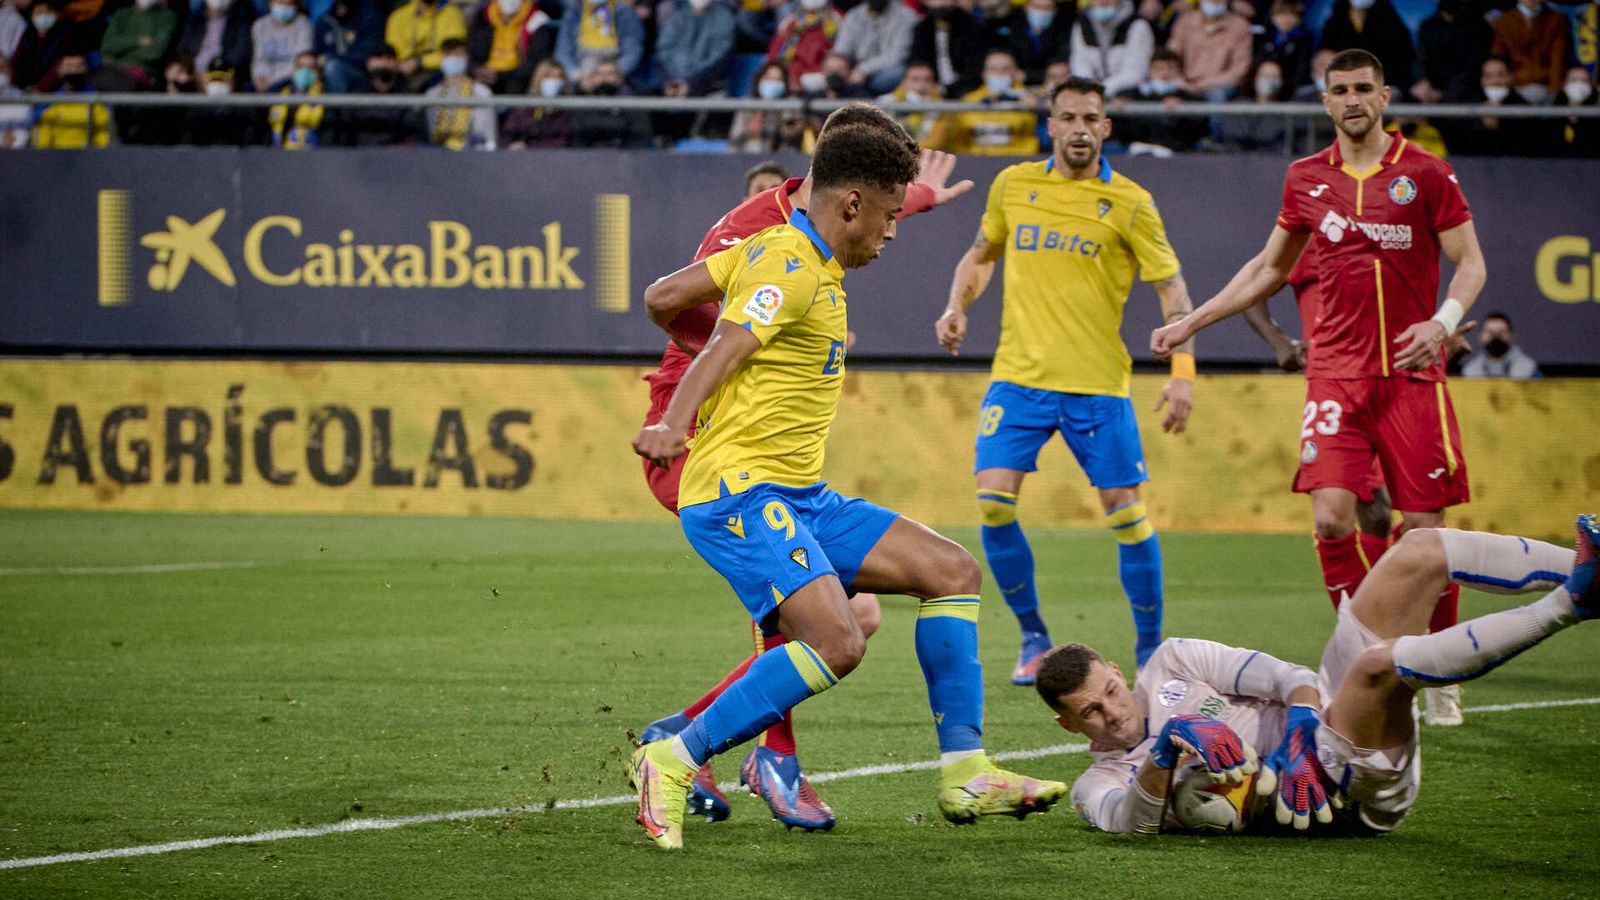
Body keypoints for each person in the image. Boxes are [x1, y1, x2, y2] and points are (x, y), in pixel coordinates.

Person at [628, 118, 1066, 852]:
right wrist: (676, 418)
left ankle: (966, 771)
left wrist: (694, 334)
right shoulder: (790, 267)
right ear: (854, 205)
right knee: (837, 640)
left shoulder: (790, 254)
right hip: (738, 494)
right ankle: (672, 758)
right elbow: (731, 343)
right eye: (892, 215)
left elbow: (661, 294)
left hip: (797, 495)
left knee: (950, 570)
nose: (893, 233)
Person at [1151, 48, 1487, 727]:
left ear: (1385, 95)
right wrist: (1193, 321)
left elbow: (1471, 263)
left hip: (1412, 377)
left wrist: (1444, 320)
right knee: (1333, 517)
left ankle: (1440, 664)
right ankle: (1362, 653)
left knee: (1423, 529)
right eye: (1340, 90)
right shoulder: (1304, 179)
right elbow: (1267, 271)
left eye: (1364, 87)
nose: (1353, 99)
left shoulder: (1425, 174)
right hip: (1335, 376)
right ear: (1326, 100)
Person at [1034, 515, 1598, 834]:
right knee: (1378, 668)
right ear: (1069, 726)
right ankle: (1569, 605)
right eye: (1091, 712)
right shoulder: (1097, 784)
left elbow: (1288, 676)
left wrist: (1303, 721)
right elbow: (1129, 823)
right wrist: (1164, 752)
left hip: (1322, 723)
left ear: (1114, 670)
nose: (1113, 711)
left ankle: (1587, 568)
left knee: (1420, 551)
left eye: (1110, 691)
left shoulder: (1172, 660)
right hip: (1339, 790)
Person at [938, 76, 1195, 683]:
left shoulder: (1132, 201)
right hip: (1018, 380)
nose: (1080, 128)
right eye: (1068, 117)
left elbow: (1172, 290)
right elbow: (980, 255)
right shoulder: (1013, 184)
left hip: (1099, 386)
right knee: (993, 503)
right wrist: (957, 306)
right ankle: (1033, 638)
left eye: (1091, 118)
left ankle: (1150, 649)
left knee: (1125, 513)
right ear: (1050, 125)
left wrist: (1182, 372)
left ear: (1107, 127)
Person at [925, 49, 1038, 155]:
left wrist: (1033, 105)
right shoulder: (968, 101)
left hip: (1015, 161)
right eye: (993, 69)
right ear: (984, 73)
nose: (999, 73)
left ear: (1015, 73)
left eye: (1005, 69)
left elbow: (1032, 139)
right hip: (976, 162)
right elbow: (958, 140)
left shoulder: (1028, 100)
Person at [1110, 48, 1204, 153]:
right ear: (1150, 71)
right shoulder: (1134, 93)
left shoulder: (1188, 96)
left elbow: (1199, 128)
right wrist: (1120, 103)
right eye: (1159, 68)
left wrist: (1183, 106)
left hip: (1174, 151)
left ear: (1179, 71)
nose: (1165, 73)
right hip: (1136, 148)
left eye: (1171, 68)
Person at [1316, 0, 1414, 95]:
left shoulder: (1393, 24)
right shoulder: (1334, 23)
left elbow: (1401, 66)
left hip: (1380, 85)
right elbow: (1324, 58)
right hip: (1342, 87)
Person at [1164, 0, 1253, 102]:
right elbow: (1170, 56)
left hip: (1219, 85)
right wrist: (1180, 80)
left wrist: (1202, 84)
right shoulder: (1184, 22)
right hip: (1184, 82)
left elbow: (1239, 69)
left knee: (1216, 94)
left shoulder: (1240, 25)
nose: (1214, 1)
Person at [1411, 0, 1491, 105]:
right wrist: (1423, 81)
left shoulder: (1479, 27)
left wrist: (1444, 93)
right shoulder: (1427, 26)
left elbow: (1472, 68)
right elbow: (1421, 59)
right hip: (1431, 93)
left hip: (1468, 93)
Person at [1489, 0, 1569, 105]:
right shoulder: (1505, 20)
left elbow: (1558, 59)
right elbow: (1498, 56)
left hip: (1545, 84)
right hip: (1514, 85)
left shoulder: (1556, 20)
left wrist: (1555, 91)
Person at [1069, 0, 1152, 98]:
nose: (1103, 2)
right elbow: (1079, 63)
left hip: (1127, 99)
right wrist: (1088, 89)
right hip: (1090, 97)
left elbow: (1135, 72)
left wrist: (1100, 90)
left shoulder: (1138, 26)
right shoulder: (1082, 24)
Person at [424, 37, 494, 150]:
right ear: (441, 58)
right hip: (438, 153)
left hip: (473, 152)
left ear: (466, 58)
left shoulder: (482, 93)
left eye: (458, 54)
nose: (453, 58)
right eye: (448, 54)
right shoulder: (432, 94)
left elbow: (486, 134)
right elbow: (431, 130)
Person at [832, 0, 915, 96]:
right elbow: (842, 50)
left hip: (886, 70)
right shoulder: (854, 15)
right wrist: (839, 67)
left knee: (898, 73)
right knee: (834, 72)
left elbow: (896, 56)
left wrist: (863, 70)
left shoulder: (906, 16)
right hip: (855, 71)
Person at [656, 0, 736, 97]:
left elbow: (720, 58)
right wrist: (671, 81)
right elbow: (664, 52)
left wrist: (690, 83)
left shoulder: (724, 18)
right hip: (674, 84)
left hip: (710, 86)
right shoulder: (676, 17)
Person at [985, 0, 1073, 88]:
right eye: (1037, 7)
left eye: (1047, 8)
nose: (1041, 12)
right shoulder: (1011, 26)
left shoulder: (1065, 31)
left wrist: (1028, 75)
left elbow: (1061, 63)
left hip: (1048, 82)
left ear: (1054, 10)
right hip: (1014, 82)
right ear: (1026, 7)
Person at [908, 0, 985, 99]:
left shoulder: (970, 26)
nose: (939, 3)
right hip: (930, 90)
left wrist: (947, 90)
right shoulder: (922, 28)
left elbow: (974, 69)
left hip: (966, 90)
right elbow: (918, 62)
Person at [554, 0, 644, 84]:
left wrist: (614, 72)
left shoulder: (624, 11)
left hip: (615, 67)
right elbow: (563, 52)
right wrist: (577, 75)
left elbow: (633, 51)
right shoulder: (574, 11)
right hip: (582, 69)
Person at [31, 51, 108, 147]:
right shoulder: (49, 104)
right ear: (60, 70)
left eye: (79, 66)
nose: (74, 70)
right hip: (56, 158)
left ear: (86, 69)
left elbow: (103, 138)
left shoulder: (97, 101)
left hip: (87, 158)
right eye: (69, 66)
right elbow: (42, 140)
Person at [386, 0, 468, 90]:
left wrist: (420, 62)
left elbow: (455, 53)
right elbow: (392, 50)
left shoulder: (452, 14)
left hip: (438, 73)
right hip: (403, 73)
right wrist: (407, 63)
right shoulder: (398, 16)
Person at [172, 0, 252, 90]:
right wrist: (187, 68)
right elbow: (183, 49)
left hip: (223, 71)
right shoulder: (194, 21)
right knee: (175, 75)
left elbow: (241, 51)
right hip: (195, 72)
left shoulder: (239, 22)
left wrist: (219, 69)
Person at [98, 0, 178, 88]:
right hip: (113, 72)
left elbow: (155, 52)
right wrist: (139, 41)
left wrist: (120, 53)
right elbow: (107, 45)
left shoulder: (167, 17)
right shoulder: (121, 14)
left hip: (143, 75)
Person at [764, 0, 837, 95]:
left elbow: (842, 59)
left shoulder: (837, 21)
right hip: (790, 84)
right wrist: (786, 78)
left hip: (824, 84)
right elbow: (773, 59)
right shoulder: (789, 24)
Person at [499, 57, 573, 148]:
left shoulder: (567, 111)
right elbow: (505, 137)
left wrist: (529, 148)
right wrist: (512, 145)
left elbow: (562, 142)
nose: (554, 82)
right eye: (549, 77)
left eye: (558, 78)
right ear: (539, 79)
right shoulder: (523, 109)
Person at [314, 0, 385, 93]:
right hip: (325, 74)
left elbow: (367, 55)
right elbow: (317, 53)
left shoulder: (369, 17)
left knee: (333, 67)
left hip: (362, 73)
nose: (341, 8)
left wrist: (330, 58)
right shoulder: (325, 21)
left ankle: (335, 107)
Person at [251, 0, 312, 93]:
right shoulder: (259, 25)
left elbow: (301, 61)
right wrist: (259, 77)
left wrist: (273, 81)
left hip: (288, 79)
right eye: (281, 3)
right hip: (262, 79)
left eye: (289, 4)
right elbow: (258, 59)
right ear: (270, 3)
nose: (285, 8)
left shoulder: (303, 24)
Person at [1461, 311, 1539, 379]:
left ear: (1511, 336)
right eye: (1490, 333)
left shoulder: (1529, 369)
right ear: (1481, 336)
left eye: (1501, 333)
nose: (1496, 337)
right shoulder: (1470, 371)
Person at [1548, 66, 1600, 158]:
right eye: (1574, 80)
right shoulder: (1552, 117)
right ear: (1564, 84)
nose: (1579, 84)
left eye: (1584, 81)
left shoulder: (1595, 119)